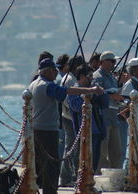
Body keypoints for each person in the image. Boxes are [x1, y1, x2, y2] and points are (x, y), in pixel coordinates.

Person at [29, 58, 103, 194]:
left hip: (35, 128)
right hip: (47, 129)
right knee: (51, 164)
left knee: (39, 163)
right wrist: (90, 89)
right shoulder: (47, 85)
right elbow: (67, 91)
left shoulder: (33, 84)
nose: (56, 73)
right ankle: (50, 191)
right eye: (54, 71)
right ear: (48, 71)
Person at [68, 64, 108, 171]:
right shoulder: (74, 90)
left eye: (92, 76)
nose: (91, 79)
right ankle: (80, 183)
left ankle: (90, 182)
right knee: (83, 161)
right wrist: (88, 93)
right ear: (81, 76)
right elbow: (76, 107)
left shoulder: (93, 88)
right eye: (89, 76)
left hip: (97, 131)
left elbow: (105, 104)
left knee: (94, 161)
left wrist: (101, 92)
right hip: (83, 133)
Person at [92, 51, 124, 171]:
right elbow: (96, 94)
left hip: (114, 118)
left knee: (117, 152)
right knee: (102, 153)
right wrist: (112, 96)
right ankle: (101, 179)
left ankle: (116, 177)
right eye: (111, 61)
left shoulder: (112, 77)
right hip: (103, 118)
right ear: (103, 62)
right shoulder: (97, 77)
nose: (114, 64)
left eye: (114, 61)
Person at [59, 56, 83, 187]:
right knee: (70, 147)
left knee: (74, 148)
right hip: (69, 117)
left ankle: (72, 176)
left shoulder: (69, 77)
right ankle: (65, 178)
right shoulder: (69, 79)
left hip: (70, 116)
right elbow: (67, 100)